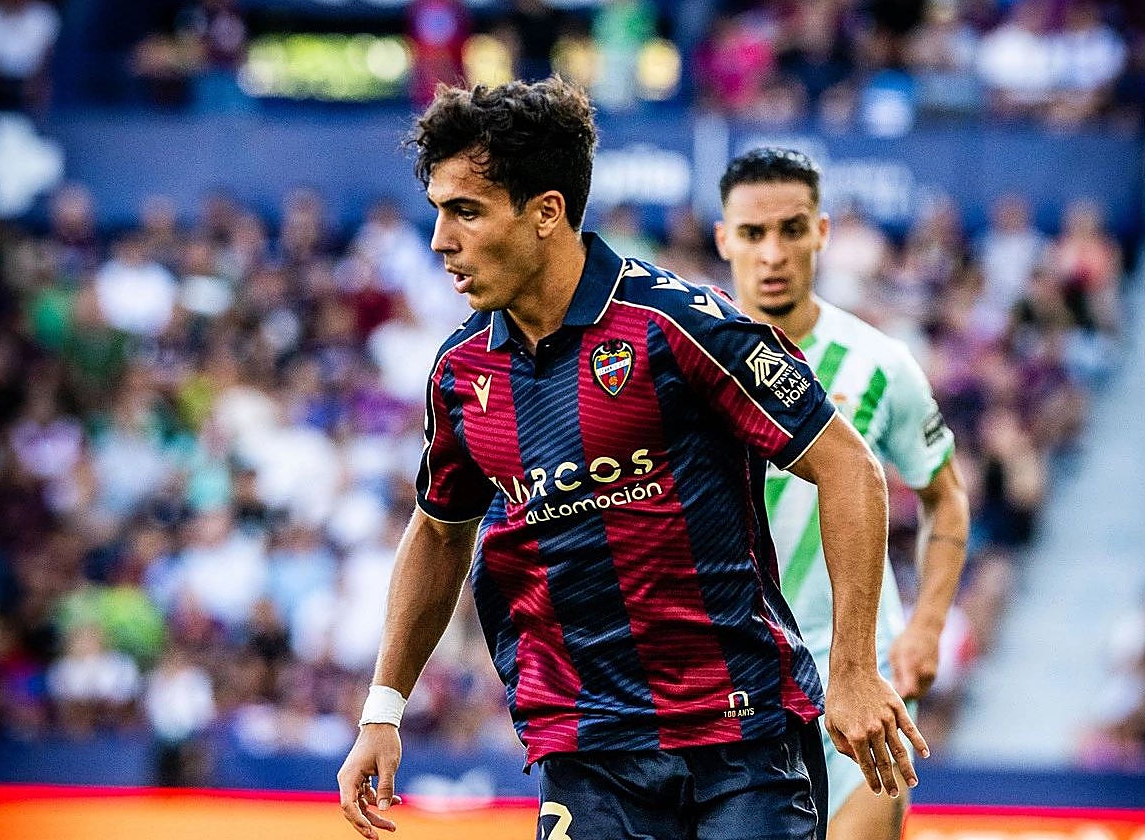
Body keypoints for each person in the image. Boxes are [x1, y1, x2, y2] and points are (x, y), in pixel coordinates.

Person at [336, 79, 927, 840]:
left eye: (466, 211)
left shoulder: (678, 326)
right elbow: (440, 531)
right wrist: (383, 709)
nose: (440, 240)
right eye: (439, 211)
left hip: (740, 738)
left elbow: (849, 467)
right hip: (587, 749)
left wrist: (850, 670)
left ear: (546, 212)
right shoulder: (461, 374)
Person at [715, 147, 969, 840]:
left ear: (822, 233)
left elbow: (946, 497)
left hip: (859, 677)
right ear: (723, 239)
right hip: (736, 690)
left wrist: (927, 627)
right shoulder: (688, 364)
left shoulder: (880, 363)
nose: (772, 253)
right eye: (752, 233)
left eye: (791, 230)